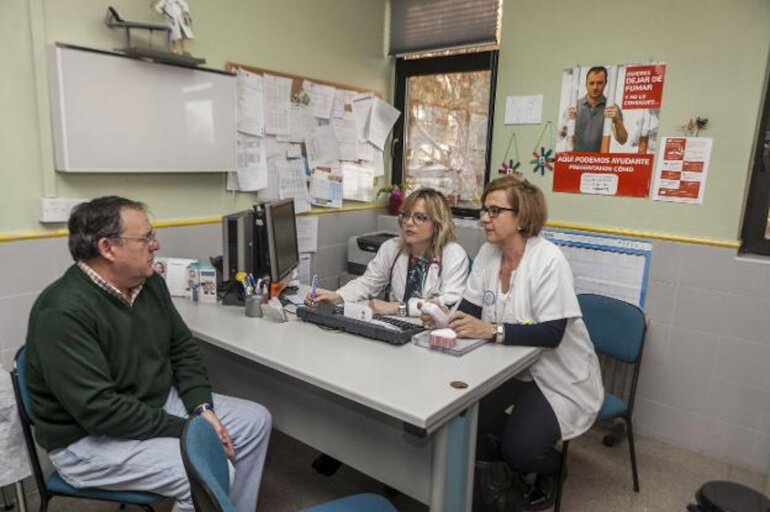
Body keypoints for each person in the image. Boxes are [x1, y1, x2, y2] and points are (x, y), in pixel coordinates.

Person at [25, 196, 272, 512]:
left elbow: (182, 348)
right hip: (86, 439)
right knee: (205, 472)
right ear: (107, 248)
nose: (156, 245)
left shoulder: (148, 283)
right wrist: (191, 430)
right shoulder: (62, 312)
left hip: (151, 404)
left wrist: (202, 408)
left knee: (255, 421)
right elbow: (101, 411)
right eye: (146, 238)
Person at [423, 176, 603, 511]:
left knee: (521, 448)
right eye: (483, 209)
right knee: (466, 420)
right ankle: (500, 466)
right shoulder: (489, 255)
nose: (484, 218)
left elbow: (552, 333)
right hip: (508, 367)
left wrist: (492, 330)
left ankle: (553, 468)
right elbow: (471, 313)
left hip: (557, 374)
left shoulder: (548, 260)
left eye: (494, 210)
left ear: (521, 217)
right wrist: (442, 317)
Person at [307, 188, 470, 317]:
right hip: (397, 325)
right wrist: (336, 297)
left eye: (419, 217)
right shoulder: (392, 247)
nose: (408, 222)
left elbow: (447, 305)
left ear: (438, 224)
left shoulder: (454, 256)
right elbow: (368, 282)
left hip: (431, 332)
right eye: (406, 215)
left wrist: (396, 308)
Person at [568, 66, 628, 152]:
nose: (595, 87)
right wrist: (566, 121)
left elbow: (622, 140)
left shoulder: (612, 108)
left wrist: (618, 121)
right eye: (591, 83)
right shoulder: (574, 106)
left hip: (598, 163)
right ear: (586, 84)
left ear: (605, 83)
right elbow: (560, 135)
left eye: (599, 83)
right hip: (576, 162)